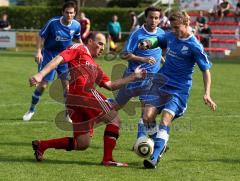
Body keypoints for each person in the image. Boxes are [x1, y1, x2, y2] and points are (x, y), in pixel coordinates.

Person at [29, 32, 145, 167]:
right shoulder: (79, 48)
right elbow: (59, 58)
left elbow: (110, 85)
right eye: (100, 43)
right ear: (90, 41)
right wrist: (40, 74)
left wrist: (133, 77)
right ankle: (108, 159)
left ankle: (42, 145)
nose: (102, 48)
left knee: (82, 143)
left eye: (104, 46)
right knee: (114, 119)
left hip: (75, 101)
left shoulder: (95, 66)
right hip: (83, 94)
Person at [138, 11, 217, 169]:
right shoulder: (171, 36)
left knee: (165, 119)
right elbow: (158, 39)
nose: (174, 31)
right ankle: (160, 144)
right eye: (172, 28)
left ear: (186, 24)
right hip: (161, 83)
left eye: (177, 28)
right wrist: (147, 43)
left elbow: (206, 71)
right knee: (147, 117)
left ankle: (155, 157)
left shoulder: (194, 46)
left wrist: (207, 93)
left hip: (179, 90)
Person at [112, 7, 166, 141]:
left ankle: (145, 140)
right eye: (151, 17)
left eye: (156, 18)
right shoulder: (137, 34)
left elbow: (159, 51)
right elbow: (124, 54)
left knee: (147, 111)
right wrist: (143, 59)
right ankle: (96, 110)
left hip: (151, 79)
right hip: (133, 77)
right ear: (145, 18)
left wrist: (163, 60)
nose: (153, 20)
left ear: (159, 19)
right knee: (117, 106)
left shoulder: (161, 33)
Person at [23, 1, 82, 121]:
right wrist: (39, 51)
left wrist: (84, 52)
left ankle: (67, 114)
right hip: (49, 55)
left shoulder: (76, 25)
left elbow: (78, 39)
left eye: (71, 13)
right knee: (43, 85)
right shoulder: (53, 23)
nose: (69, 15)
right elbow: (41, 36)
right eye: (67, 12)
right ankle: (31, 109)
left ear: (75, 13)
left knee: (68, 87)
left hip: (65, 57)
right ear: (62, 12)